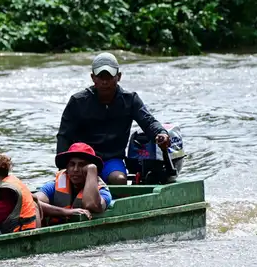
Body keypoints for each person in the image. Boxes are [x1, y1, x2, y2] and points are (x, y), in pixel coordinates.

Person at [56, 52, 171, 185]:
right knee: (78, 180)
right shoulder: (77, 102)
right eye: (101, 77)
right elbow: (64, 136)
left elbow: (148, 122)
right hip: (83, 160)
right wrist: (63, 169)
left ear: (119, 76)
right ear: (93, 78)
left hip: (112, 160)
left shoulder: (130, 100)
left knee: (119, 180)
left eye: (109, 77)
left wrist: (161, 133)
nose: (105, 82)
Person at [36, 143, 113, 224]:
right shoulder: (53, 186)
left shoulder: (103, 192)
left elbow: (91, 205)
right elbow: (33, 202)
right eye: (72, 164)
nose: (75, 169)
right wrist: (65, 212)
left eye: (81, 165)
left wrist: (92, 169)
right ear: (67, 168)